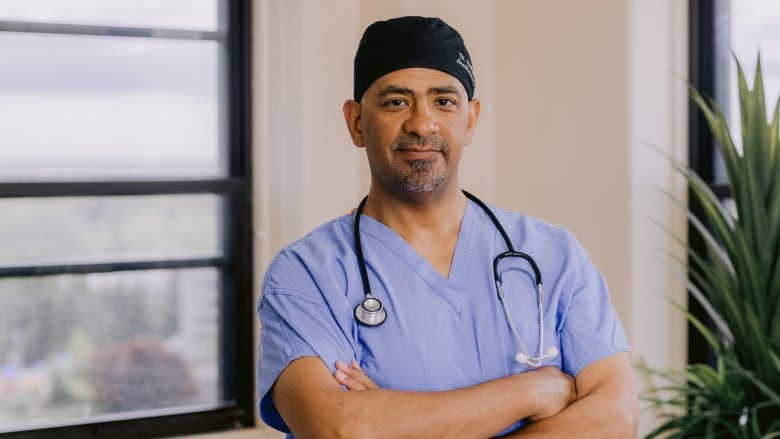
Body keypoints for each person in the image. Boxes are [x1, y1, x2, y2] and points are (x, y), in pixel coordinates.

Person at [257, 16, 638, 438]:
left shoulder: (554, 255)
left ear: (470, 119)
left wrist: (395, 420)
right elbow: (338, 429)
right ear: (356, 123)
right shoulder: (306, 275)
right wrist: (532, 390)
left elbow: (614, 419)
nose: (422, 124)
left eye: (444, 101)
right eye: (396, 102)